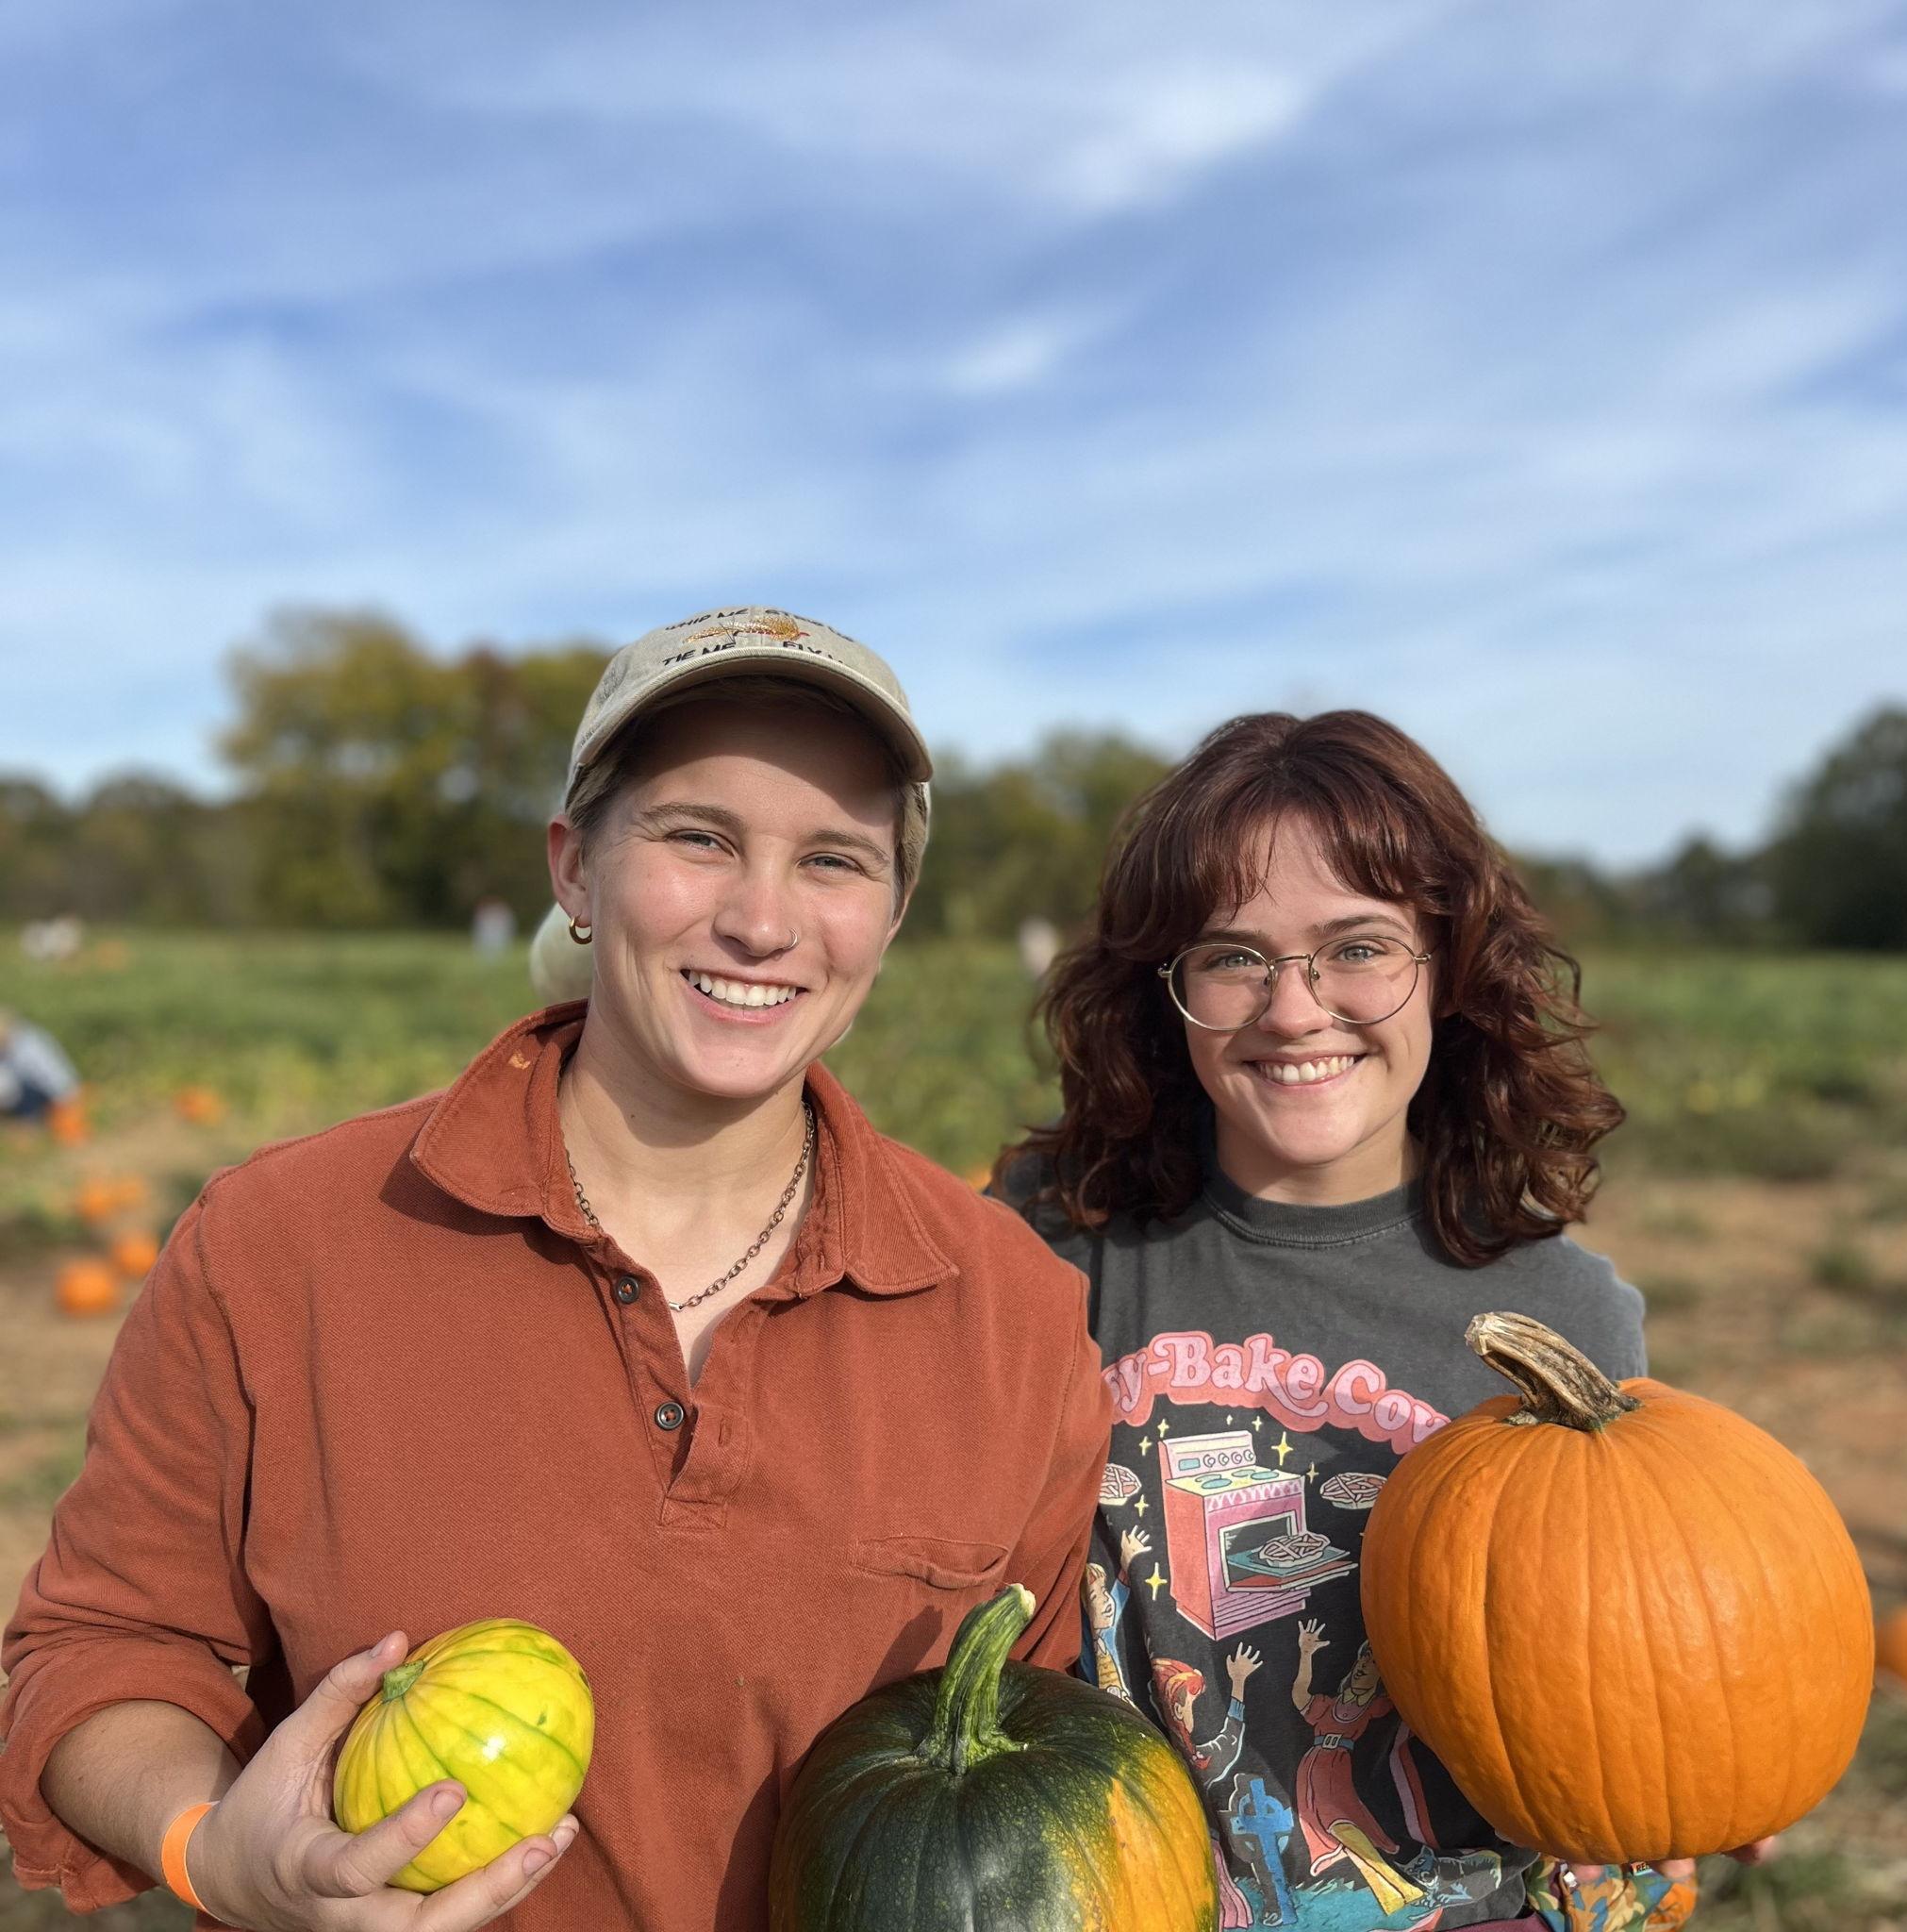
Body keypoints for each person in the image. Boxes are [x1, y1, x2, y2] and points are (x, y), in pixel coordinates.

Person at [1, 607, 1112, 1932]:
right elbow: (99, 1650)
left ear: (889, 914)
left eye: (833, 859)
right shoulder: (280, 1243)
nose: (762, 919)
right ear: (575, 870)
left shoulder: (1013, 1312)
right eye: (698, 837)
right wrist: (212, 1850)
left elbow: (1037, 1763)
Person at [997, 710, 1753, 1932]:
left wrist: (1723, 1734)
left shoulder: (1563, 1316)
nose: (1294, 1011)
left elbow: (1630, 1662)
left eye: (1357, 948)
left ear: (1446, 967)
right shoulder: (1059, 1245)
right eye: (1233, 957)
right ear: (1165, 990)